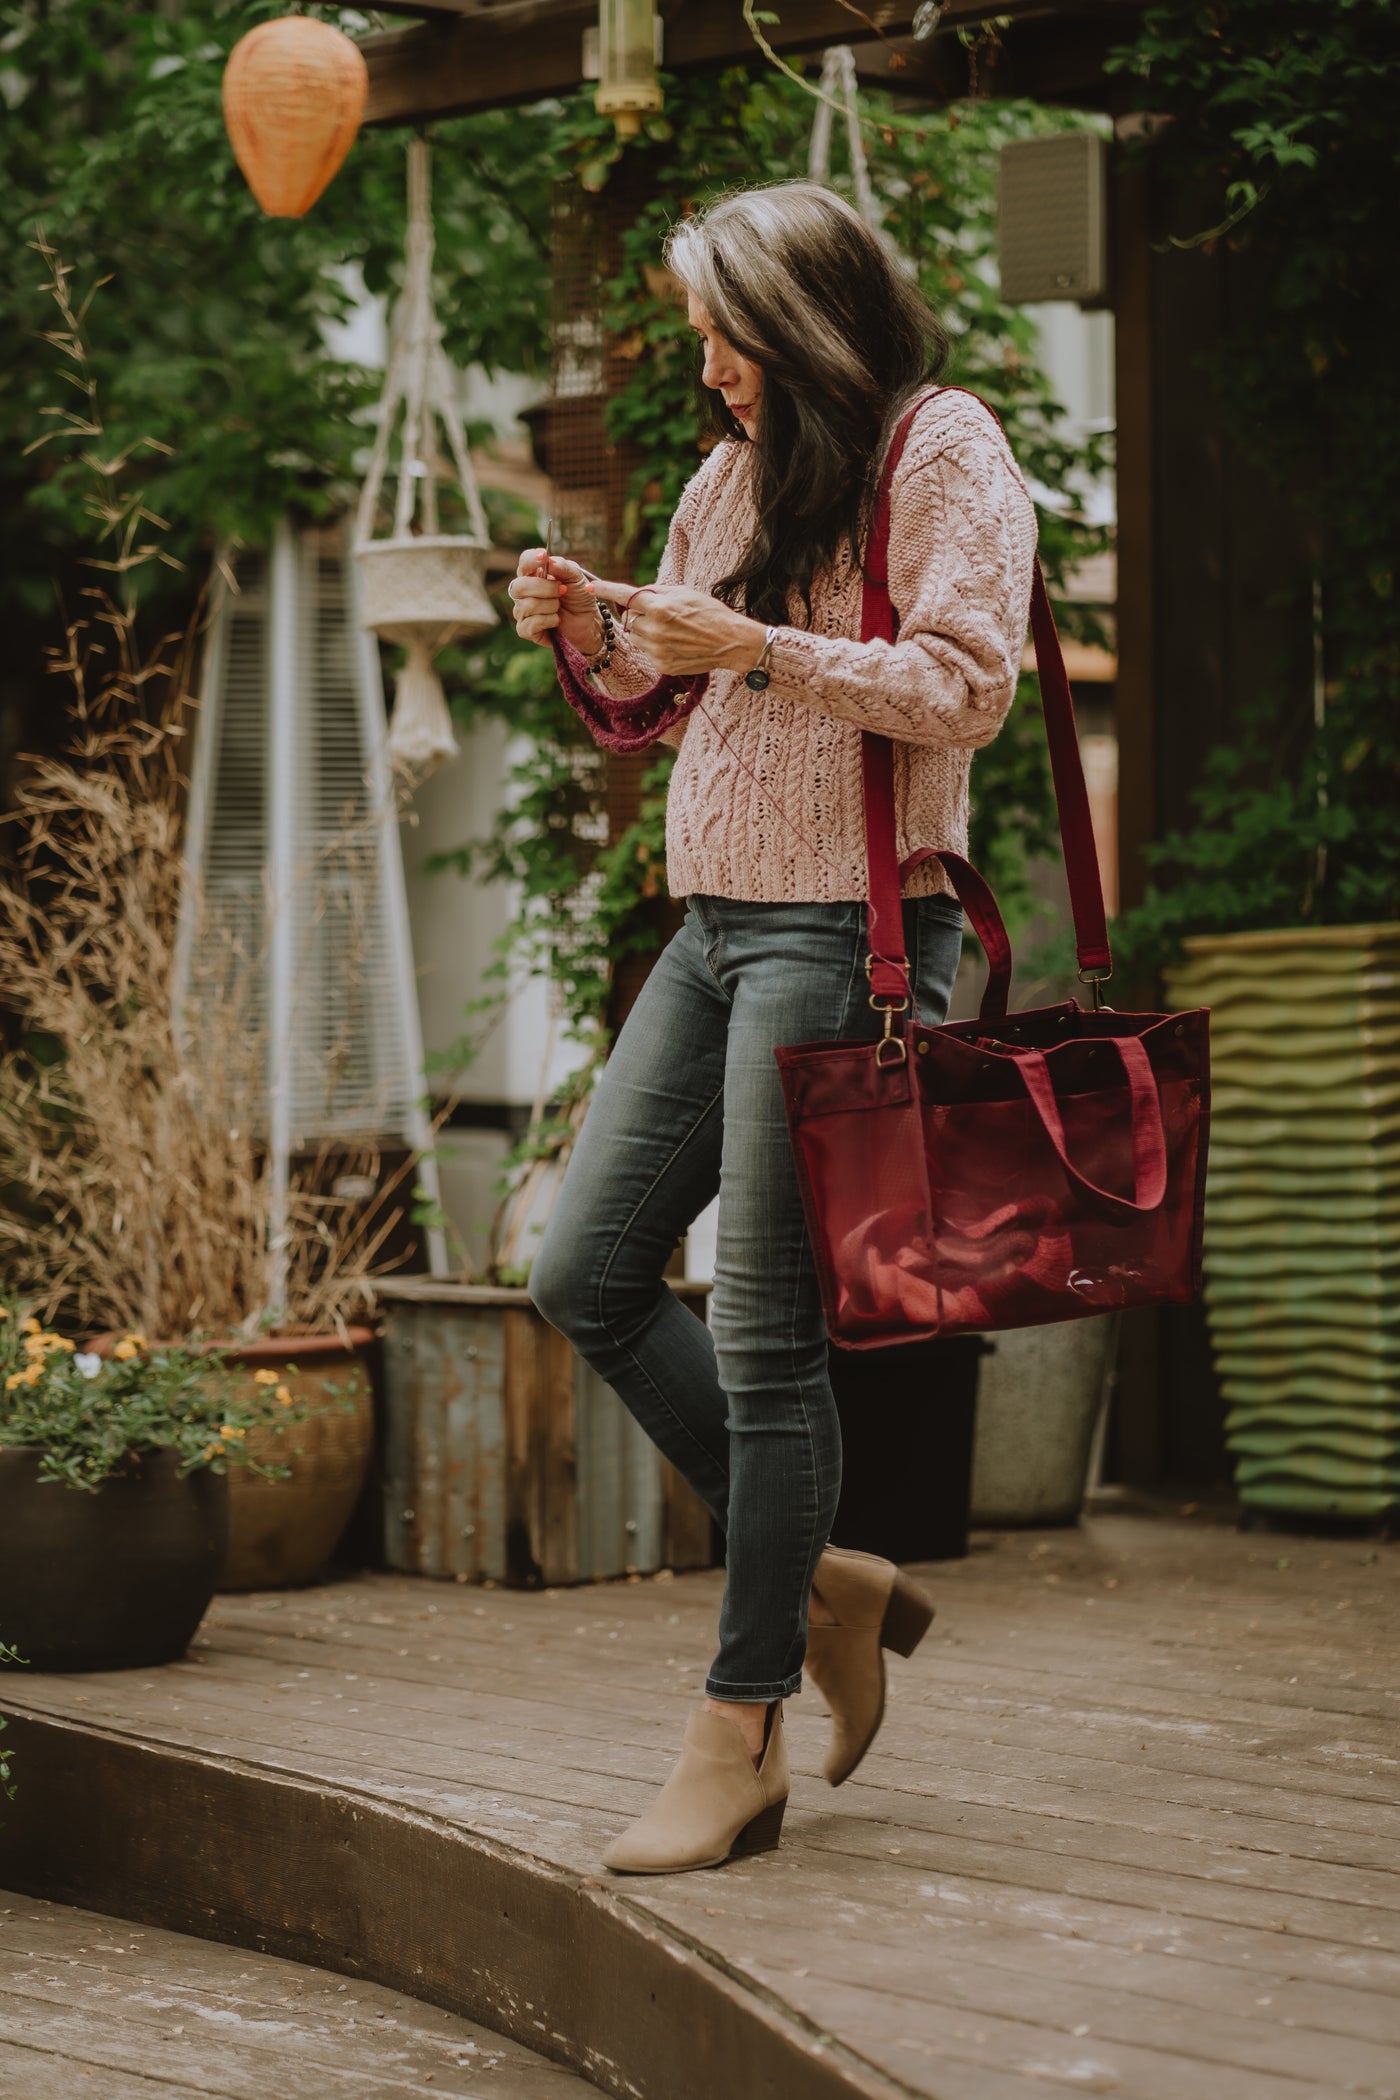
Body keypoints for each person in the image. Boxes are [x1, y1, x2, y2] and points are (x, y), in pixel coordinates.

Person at [508, 180, 1036, 1875]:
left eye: (727, 333)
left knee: (762, 1334)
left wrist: (765, 643)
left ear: (802, 311)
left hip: (856, 930)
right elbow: (670, 708)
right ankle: (823, 1581)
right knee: (581, 1269)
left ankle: (741, 1731)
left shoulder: (939, 450)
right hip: (718, 927)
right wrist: (596, 637)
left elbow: (966, 683)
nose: (711, 367)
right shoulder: (734, 475)